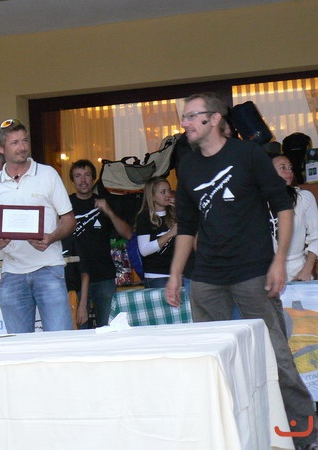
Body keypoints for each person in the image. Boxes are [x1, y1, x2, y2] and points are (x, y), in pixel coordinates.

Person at [165, 92, 318, 450]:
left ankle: (306, 435)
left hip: (253, 271)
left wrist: (278, 261)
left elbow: (283, 207)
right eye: (184, 116)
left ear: (214, 119)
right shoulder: (187, 166)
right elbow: (187, 226)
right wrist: (175, 274)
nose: (184, 123)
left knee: (275, 356)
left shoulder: (247, 154)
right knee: (211, 359)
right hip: (207, 277)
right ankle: (227, 435)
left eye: (191, 116)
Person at [0, 118, 76, 333]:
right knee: (18, 345)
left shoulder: (48, 174)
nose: (22, 147)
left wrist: (51, 237)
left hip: (49, 268)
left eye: (24, 140)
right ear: (1, 148)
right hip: (12, 272)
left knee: (61, 341)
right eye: (15, 142)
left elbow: (69, 220)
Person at [68, 159, 132, 327]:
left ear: (94, 178)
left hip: (104, 276)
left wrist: (108, 211)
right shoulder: (66, 205)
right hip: (76, 277)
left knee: (108, 328)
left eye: (87, 175)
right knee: (80, 329)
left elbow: (127, 234)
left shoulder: (104, 202)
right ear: (72, 180)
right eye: (78, 176)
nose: (83, 180)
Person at [270, 154, 318, 281]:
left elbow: (316, 237)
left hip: (297, 270)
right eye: (283, 168)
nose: (289, 171)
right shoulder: (257, 201)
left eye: (290, 167)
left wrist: (306, 270)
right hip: (266, 272)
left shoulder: (303, 198)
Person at [135, 177, 177, 289]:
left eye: (169, 191)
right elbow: (144, 250)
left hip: (178, 272)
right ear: (152, 196)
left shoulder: (175, 213)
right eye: (163, 192)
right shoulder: (144, 218)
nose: (168, 195)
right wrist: (170, 234)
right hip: (157, 275)